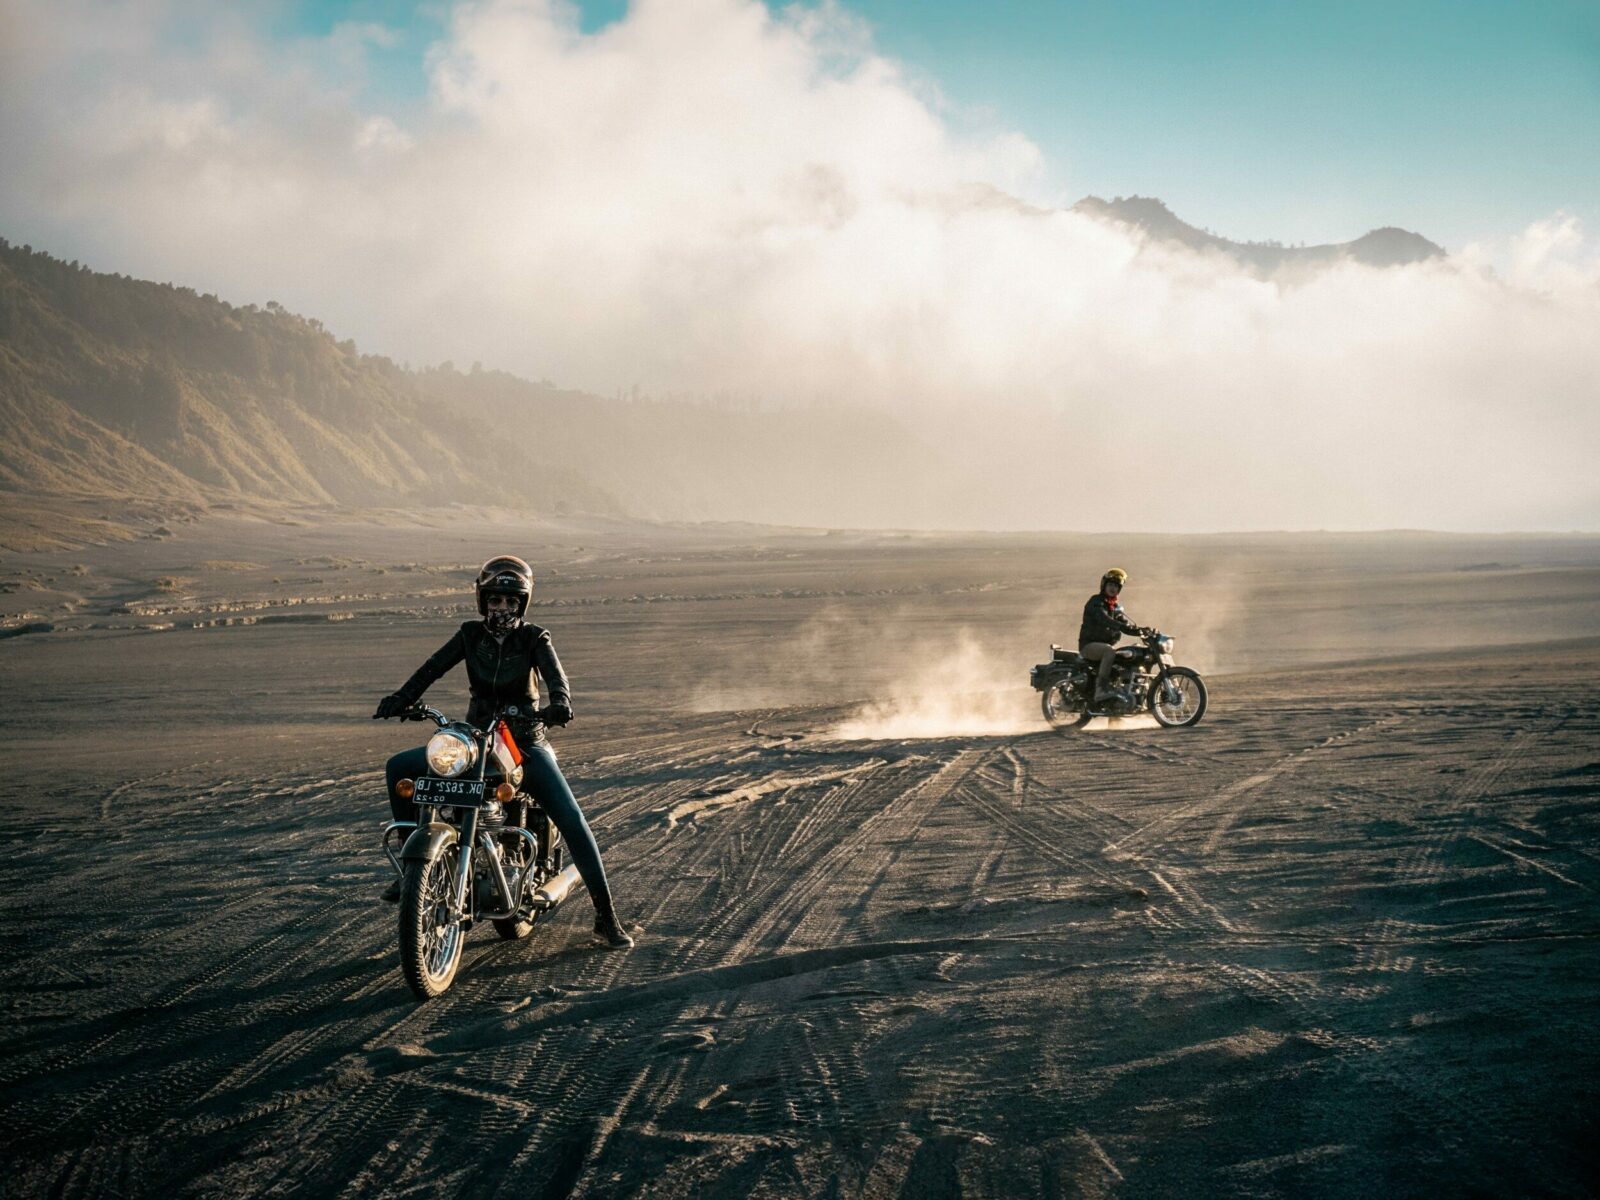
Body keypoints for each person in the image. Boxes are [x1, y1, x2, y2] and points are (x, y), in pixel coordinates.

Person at [372, 554, 633, 949]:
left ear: (522, 605)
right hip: (474, 739)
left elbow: (556, 678)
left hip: (523, 740)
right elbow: (432, 668)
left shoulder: (535, 638)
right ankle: (413, 874)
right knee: (400, 769)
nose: (502, 609)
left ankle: (605, 915)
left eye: (511, 602)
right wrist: (402, 697)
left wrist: (559, 704)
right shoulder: (469, 635)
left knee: (572, 817)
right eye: (495, 601)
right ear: (483, 601)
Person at [1078, 567, 1147, 706]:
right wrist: (1120, 626)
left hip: (1104, 646)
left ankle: (1118, 705)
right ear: (1104, 585)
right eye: (1110, 585)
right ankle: (1100, 690)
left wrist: (1142, 631)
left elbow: (1125, 624)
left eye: (1116, 586)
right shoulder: (1096, 602)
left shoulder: (1115, 607)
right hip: (1089, 646)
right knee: (1109, 651)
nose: (1112, 588)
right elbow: (1104, 619)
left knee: (1132, 656)